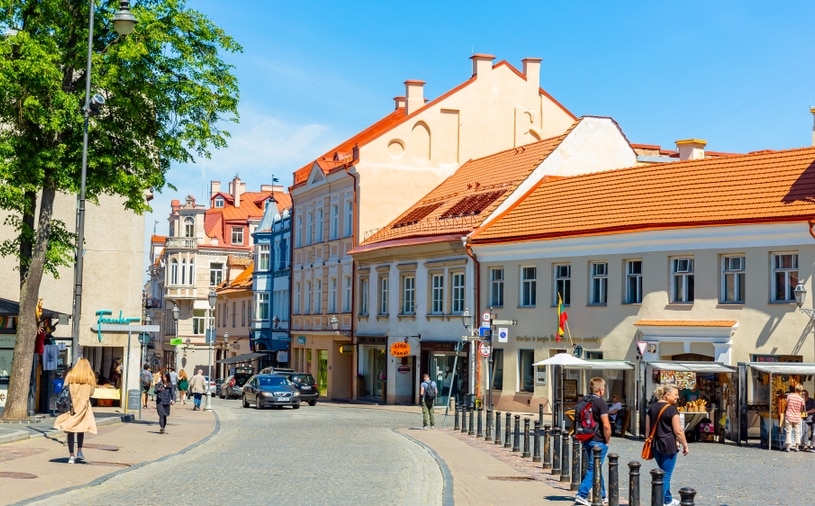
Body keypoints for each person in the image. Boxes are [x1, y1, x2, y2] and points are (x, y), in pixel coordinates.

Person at [645, 383, 689, 506]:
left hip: (655, 444)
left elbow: (647, 430)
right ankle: (658, 501)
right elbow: (678, 431)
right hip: (668, 445)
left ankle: (667, 499)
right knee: (666, 475)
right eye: (675, 394)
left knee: (663, 471)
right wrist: (685, 445)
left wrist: (649, 441)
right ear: (667, 395)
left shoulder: (652, 408)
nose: (677, 397)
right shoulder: (671, 409)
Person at [574, 377, 612, 506]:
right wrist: (607, 440)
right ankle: (582, 494)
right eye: (604, 388)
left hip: (586, 437)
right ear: (601, 389)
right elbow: (606, 425)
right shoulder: (601, 403)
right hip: (598, 439)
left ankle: (602, 495)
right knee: (594, 468)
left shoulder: (583, 400)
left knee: (596, 467)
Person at [53, 357, 97, 464]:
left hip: (71, 405)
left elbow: (64, 388)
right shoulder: (90, 377)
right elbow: (92, 393)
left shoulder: (70, 375)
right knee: (81, 428)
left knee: (70, 430)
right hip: (83, 406)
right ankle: (80, 450)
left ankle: (71, 455)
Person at [782, 383, 806, 452]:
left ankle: (788, 447)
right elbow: (801, 409)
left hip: (789, 415)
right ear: (801, 391)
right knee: (797, 432)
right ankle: (797, 447)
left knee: (788, 431)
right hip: (797, 416)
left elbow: (786, 404)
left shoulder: (789, 396)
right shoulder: (801, 399)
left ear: (795, 389)